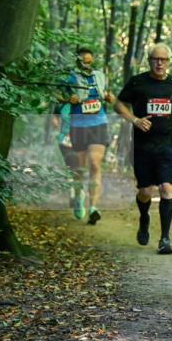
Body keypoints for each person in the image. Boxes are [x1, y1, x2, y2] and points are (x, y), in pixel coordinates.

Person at [114, 44, 172, 254]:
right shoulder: (137, 82)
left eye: (163, 59)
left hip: (166, 145)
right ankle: (144, 218)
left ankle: (165, 239)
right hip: (142, 146)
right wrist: (134, 120)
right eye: (156, 59)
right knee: (145, 191)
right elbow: (118, 104)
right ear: (150, 61)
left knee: (166, 187)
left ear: (168, 62)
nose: (159, 63)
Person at [59, 47, 113, 224]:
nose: (88, 65)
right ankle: (79, 196)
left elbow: (104, 94)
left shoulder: (99, 76)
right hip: (78, 125)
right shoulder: (70, 77)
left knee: (95, 164)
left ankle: (93, 207)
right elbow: (56, 93)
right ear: (78, 61)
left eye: (90, 61)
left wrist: (108, 97)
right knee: (79, 169)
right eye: (85, 62)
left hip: (99, 123)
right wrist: (68, 99)